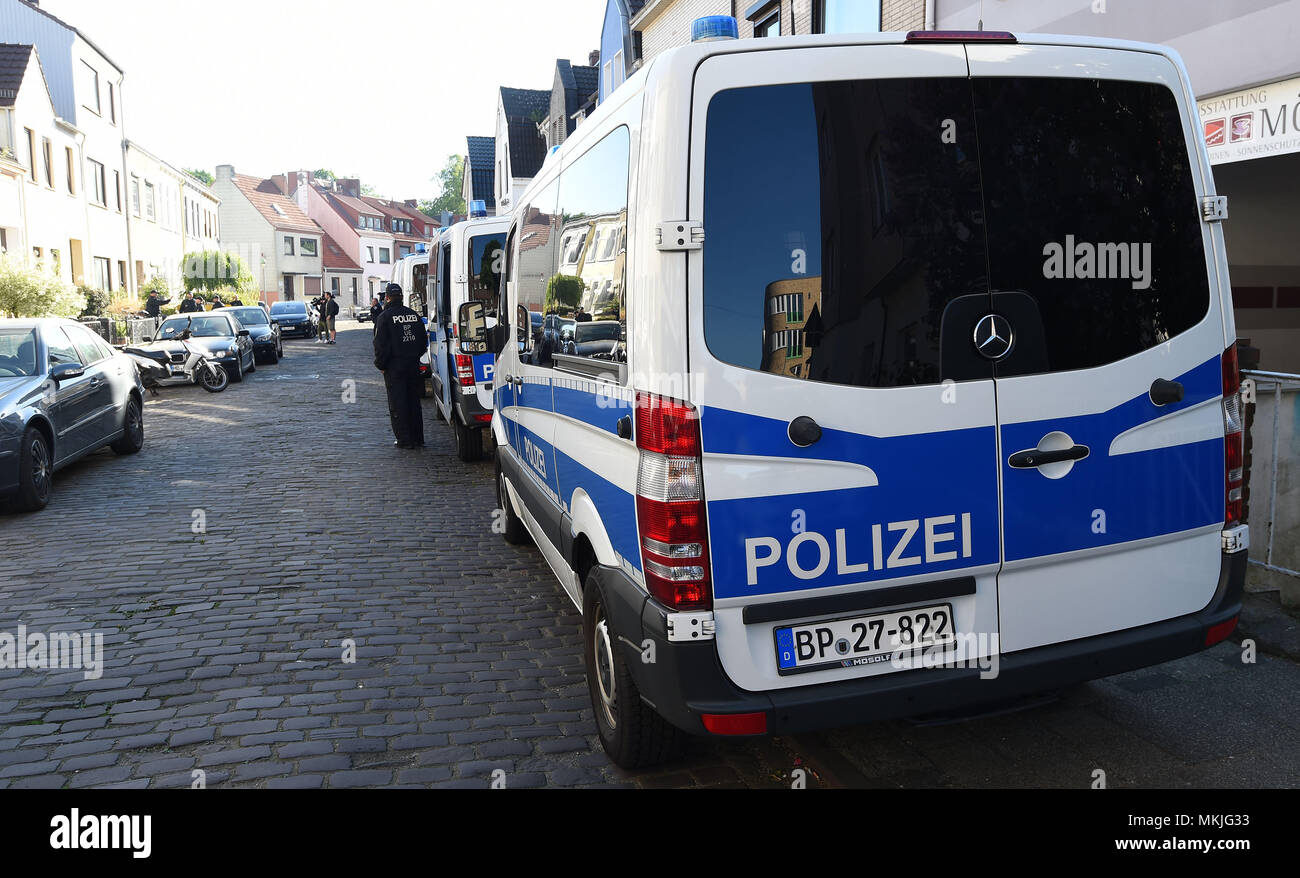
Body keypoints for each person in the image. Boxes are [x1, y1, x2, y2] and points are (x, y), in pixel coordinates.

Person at [373, 283, 426, 448]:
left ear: (387, 298)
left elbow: (380, 345)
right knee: (414, 401)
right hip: (412, 363)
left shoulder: (385, 317)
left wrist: (381, 365)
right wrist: (415, 355)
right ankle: (418, 437)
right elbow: (423, 341)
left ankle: (405, 439)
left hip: (394, 366)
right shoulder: (413, 315)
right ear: (401, 297)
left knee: (398, 403)